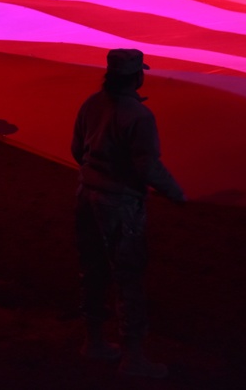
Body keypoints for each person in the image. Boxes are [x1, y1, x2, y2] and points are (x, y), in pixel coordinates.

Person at [71, 49, 186, 379]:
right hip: (119, 202)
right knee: (128, 277)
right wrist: (174, 192)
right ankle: (132, 357)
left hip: (86, 195)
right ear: (138, 76)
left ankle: (94, 341)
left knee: (92, 270)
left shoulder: (91, 104)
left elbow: (77, 150)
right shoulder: (138, 116)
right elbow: (146, 165)